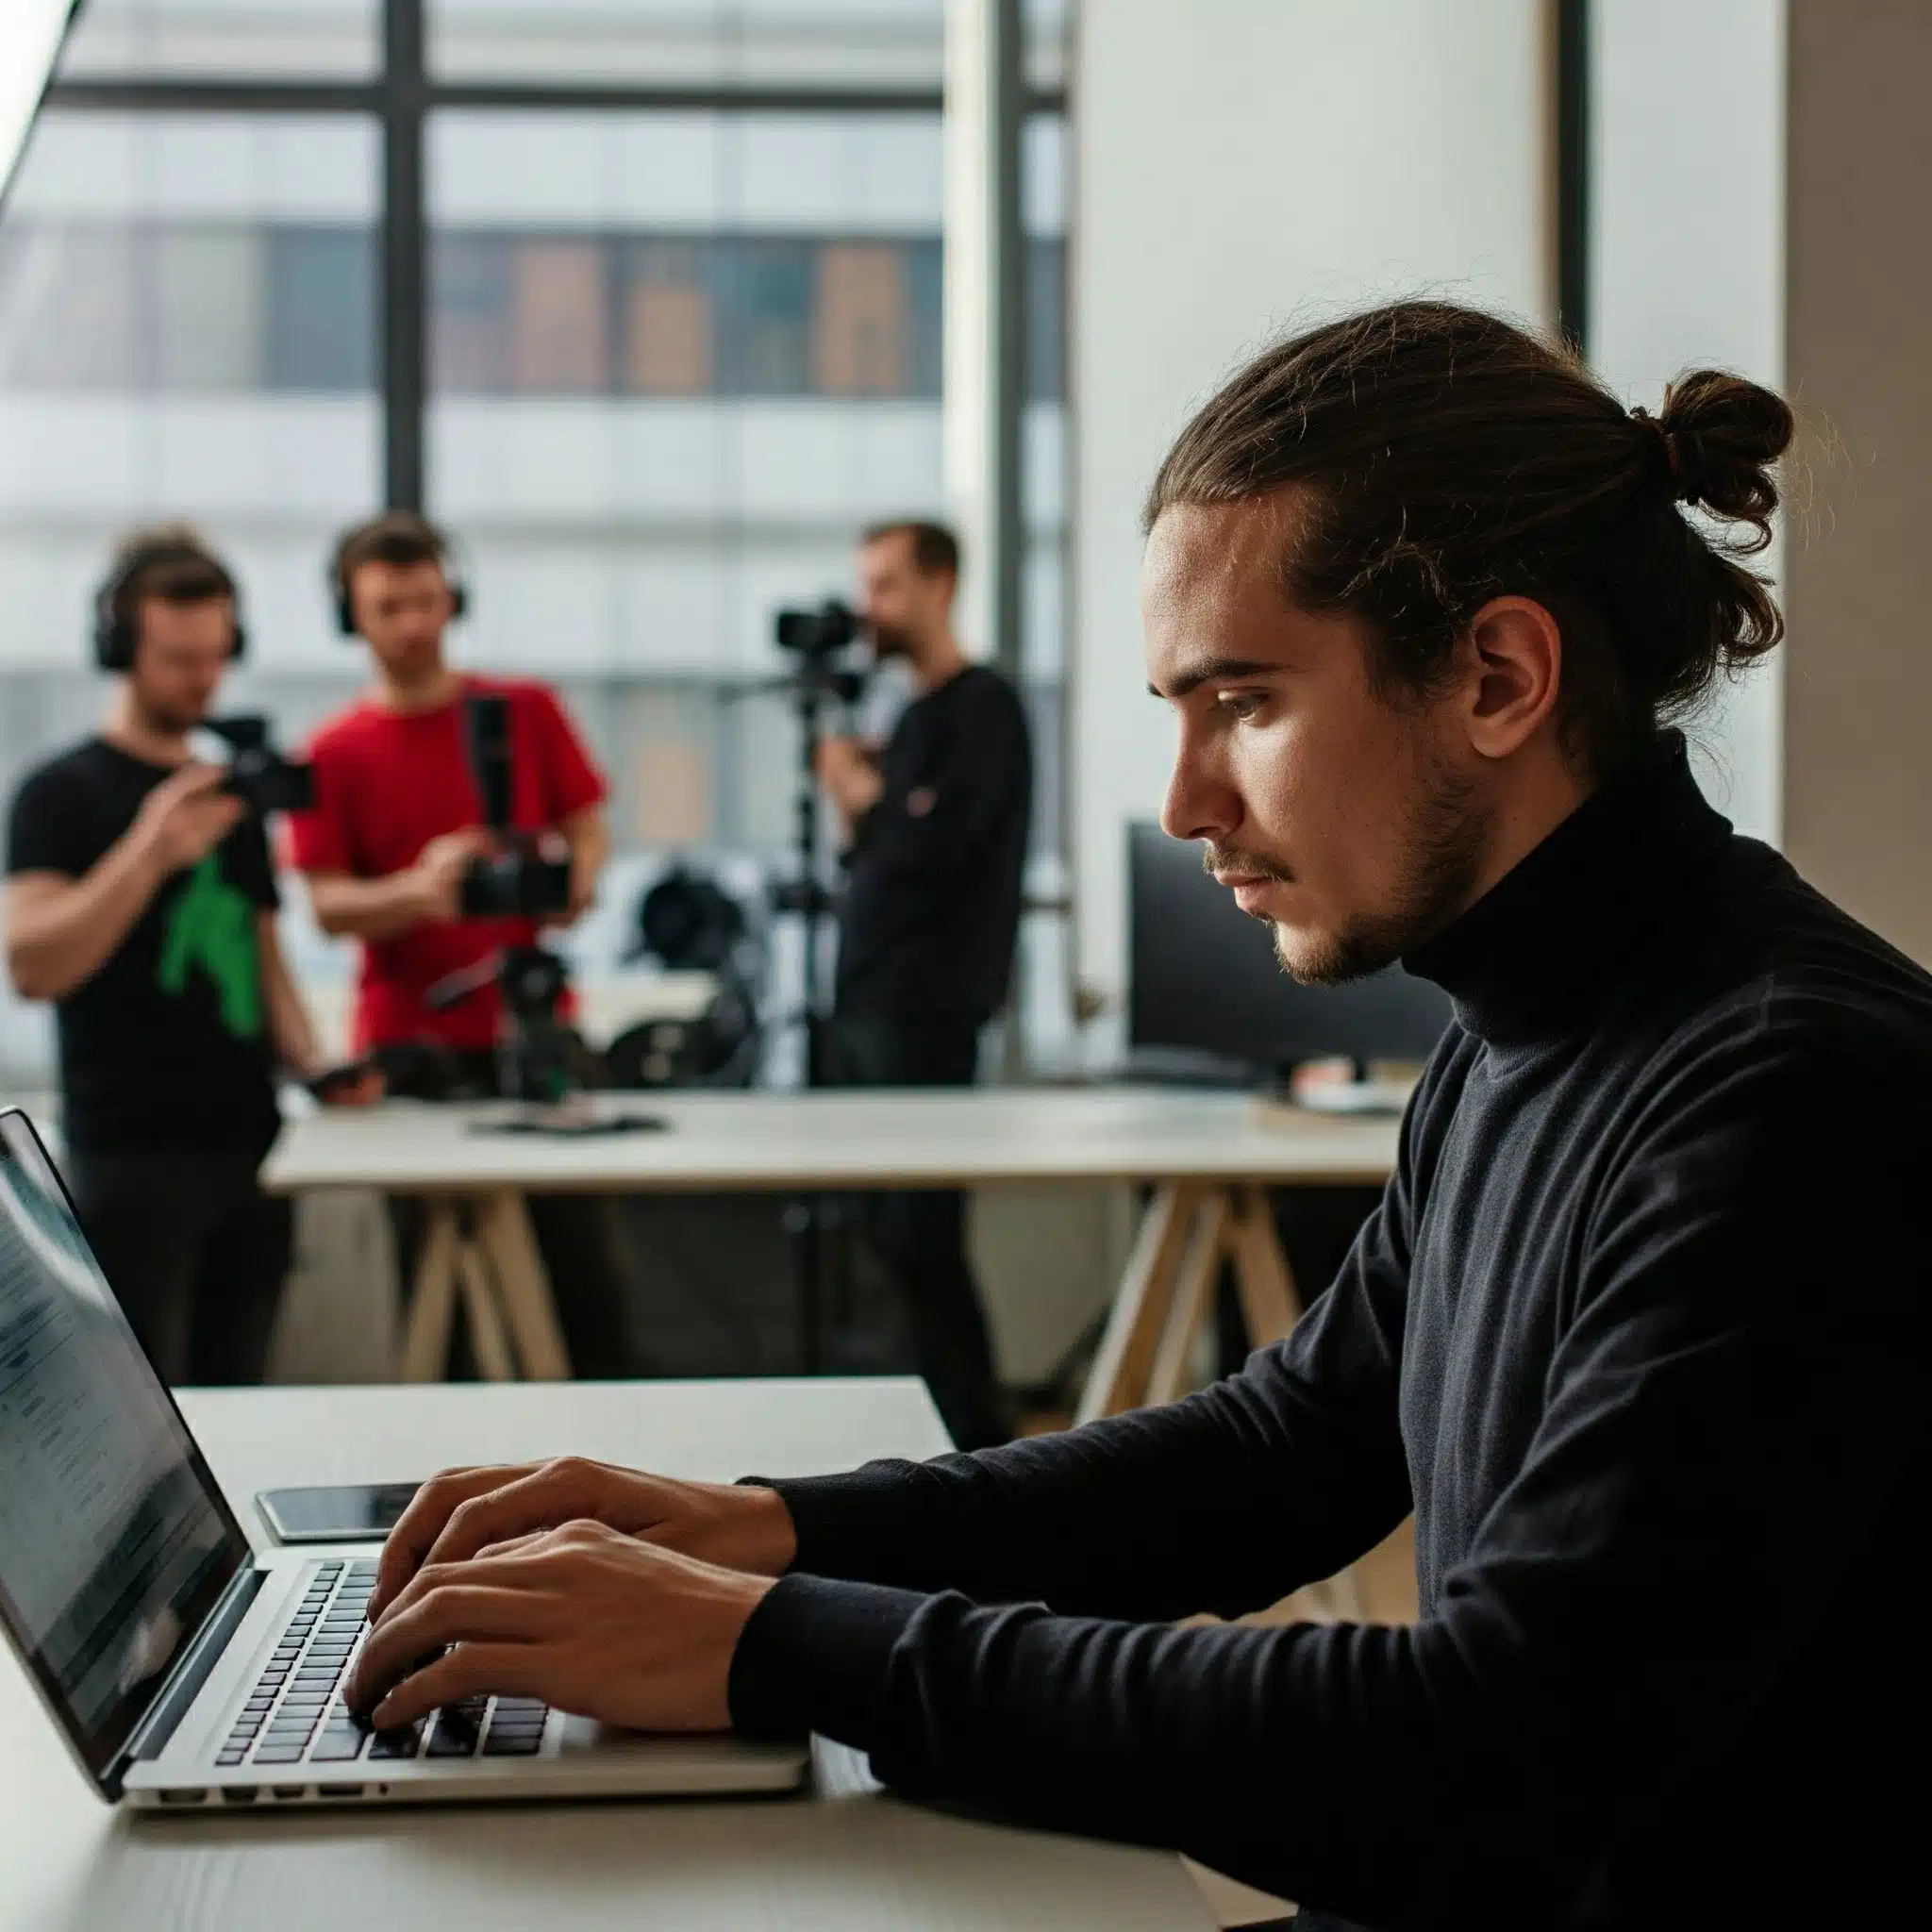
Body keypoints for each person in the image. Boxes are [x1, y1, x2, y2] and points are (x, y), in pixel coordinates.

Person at [342, 304, 1929, 1930]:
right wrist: (764, 1530)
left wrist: (769, 1640)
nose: (1183, 802)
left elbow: (1483, 1753)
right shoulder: (1526, 1027)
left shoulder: (1790, 1097)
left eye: (1239, 700)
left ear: (1498, 675)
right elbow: (1279, 1454)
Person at [4, 525, 374, 1385]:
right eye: (178, 658)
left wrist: (314, 1062)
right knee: (150, 1418)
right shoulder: (59, 794)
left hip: (247, 1149)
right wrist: (151, 850)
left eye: (215, 656)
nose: (202, 679)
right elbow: (33, 966)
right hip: (130, 1158)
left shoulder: (230, 790)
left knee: (245, 1400)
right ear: (120, 648)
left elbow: (262, 952)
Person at [284, 511, 636, 1378]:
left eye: (428, 602)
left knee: (589, 1293)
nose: (413, 625)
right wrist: (420, 889)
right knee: (437, 1314)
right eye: (389, 606)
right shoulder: (329, 752)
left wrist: (577, 878)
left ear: (454, 600)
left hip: (536, 1032)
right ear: (351, 618)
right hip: (410, 1053)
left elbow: (588, 825)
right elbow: (326, 908)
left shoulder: (526, 709)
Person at [814, 519, 1033, 1449]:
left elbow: (935, 855)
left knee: (920, 1237)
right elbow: (879, 858)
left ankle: (975, 1439)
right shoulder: (906, 720)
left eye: (887, 585)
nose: (870, 608)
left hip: (929, 1008)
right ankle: (932, 1435)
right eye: (865, 585)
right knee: (883, 1235)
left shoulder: (982, 708)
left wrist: (861, 798)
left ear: (940, 582)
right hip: (867, 1001)